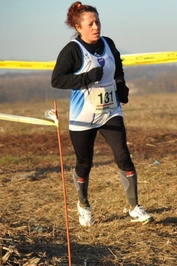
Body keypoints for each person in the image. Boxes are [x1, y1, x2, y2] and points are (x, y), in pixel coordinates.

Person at [51, 1, 154, 227]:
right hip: (83, 117)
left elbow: (117, 66)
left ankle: (134, 207)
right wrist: (86, 77)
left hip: (110, 112)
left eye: (98, 22)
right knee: (84, 164)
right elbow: (57, 80)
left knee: (123, 155)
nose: (96, 27)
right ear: (79, 27)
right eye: (91, 23)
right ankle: (83, 205)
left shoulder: (108, 43)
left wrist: (120, 84)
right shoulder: (72, 50)